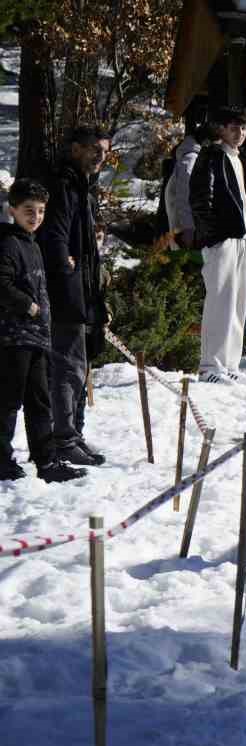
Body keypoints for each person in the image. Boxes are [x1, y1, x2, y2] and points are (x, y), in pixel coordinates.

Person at [0, 179, 83, 483]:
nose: (35, 217)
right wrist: (29, 307)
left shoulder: (32, 244)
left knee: (39, 401)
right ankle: (2, 460)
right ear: (13, 210)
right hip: (12, 338)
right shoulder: (9, 243)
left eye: (40, 211)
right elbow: (3, 285)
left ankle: (46, 461)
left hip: (35, 338)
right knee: (8, 401)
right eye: (28, 211)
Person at [41, 126, 110, 459]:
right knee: (67, 366)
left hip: (82, 290)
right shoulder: (64, 186)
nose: (100, 156)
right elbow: (54, 238)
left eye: (105, 152)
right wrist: (68, 275)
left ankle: (74, 434)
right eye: (94, 149)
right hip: (64, 292)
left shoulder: (84, 189)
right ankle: (63, 439)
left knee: (80, 366)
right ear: (75, 149)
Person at [190, 108, 246, 384]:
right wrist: (214, 236)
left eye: (243, 128)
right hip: (223, 240)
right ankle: (210, 367)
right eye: (234, 127)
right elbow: (199, 199)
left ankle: (230, 364)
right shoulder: (210, 156)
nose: (240, 133)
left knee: (238, 305)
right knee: (220, 303)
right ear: (220, 129)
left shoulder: (244, 160)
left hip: (245, 239)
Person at [162, 102, 213, 248]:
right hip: (185, 235)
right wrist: (188, 229)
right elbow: (184, 196)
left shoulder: (190, 157)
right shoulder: (191, 159)